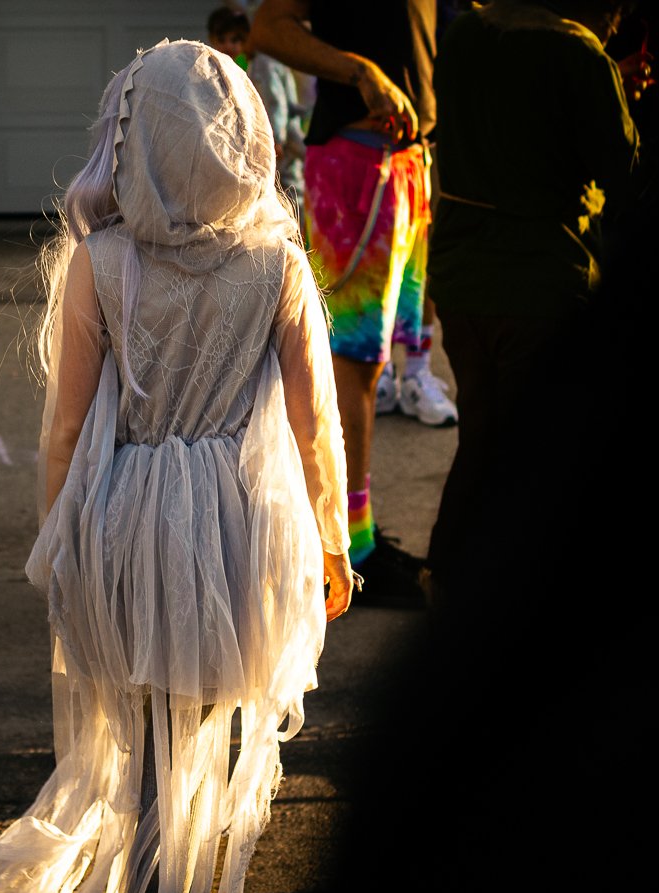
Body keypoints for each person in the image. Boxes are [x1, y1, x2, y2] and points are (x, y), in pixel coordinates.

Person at [0, 40, 353, 893]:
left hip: (126, 522)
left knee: (141, 740)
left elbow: (64, 429)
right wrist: (330, 540)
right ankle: (164, 882)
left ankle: (145, 883)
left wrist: (58, 538)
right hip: (234, 532)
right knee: (199, 734)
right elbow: (315, 423)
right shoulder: (277, 263)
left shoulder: (103, 263)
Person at [421, 0, 639, 607]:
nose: (617, 22)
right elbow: (625, 177)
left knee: (484, 433)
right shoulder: (579, 53)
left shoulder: (468, 35)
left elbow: (510, 122)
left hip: (463, 279)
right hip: (542, 282)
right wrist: (621, 94)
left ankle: (447, 575)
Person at [249, 0, 435, 605]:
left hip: (407, 163)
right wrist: (358, 70)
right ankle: (351, 549)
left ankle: (353, 537)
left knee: (371, 365)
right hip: (359, 164)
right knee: (349, 364)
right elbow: (268, 26)